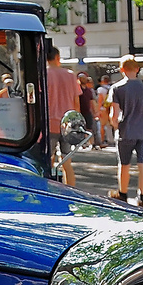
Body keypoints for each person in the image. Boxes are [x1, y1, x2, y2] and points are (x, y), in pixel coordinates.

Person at [108, 57, 143, 205]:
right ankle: (141, 196)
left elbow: (114, 115)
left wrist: (116, 126)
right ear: (137, 69)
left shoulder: (117, 88)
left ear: (122, 70)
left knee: (124, 164)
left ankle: (123, 194)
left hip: (126, 131)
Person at [45, 45, 82, 187]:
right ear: (57, 58)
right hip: (68, 124)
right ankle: (70, 190)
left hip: (50, 123)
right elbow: (76, 101)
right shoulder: (70, 75)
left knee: (48, 161)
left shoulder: (43, 74)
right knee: (67, 162)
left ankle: (47, 189)